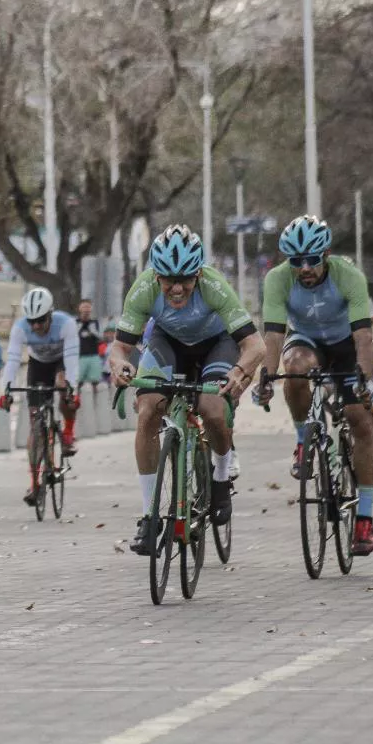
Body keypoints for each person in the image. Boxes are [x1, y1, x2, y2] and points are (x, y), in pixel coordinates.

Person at [109, 225, 265, 556]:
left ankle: (221, 479)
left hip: (217, 344)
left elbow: (255, 345)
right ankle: (150, 517)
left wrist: (240, 372)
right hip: (168, 343)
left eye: (186, 279)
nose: (177, 288)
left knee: (211, 408)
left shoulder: (214, 286)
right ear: (156, 276)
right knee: (149, 408)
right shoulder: (143, 288)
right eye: (168, 280)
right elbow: (119, 349)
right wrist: (120, 367)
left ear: (198, 274)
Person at [255, 215, 373, 556]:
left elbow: (364, 336)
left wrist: (366, 380)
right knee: (292, 369)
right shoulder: (278, 280)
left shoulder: (348, 276)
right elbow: (274, 334)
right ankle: (302, 441)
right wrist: (266, 376)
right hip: (306, 342)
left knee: (360, 421)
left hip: (346, 346)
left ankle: (365, 519)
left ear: (325, 254)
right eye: (297, 261)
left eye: (312, 259)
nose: (305, 267)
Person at [0, 287, 80, 505]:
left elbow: (72, 360)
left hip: (60, 363)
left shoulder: (66, 324)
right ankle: (35, 483)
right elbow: (13, 361)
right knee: (36, 424)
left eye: (41, 320)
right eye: (32, 320)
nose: (36, 326)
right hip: (38, 365)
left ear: (51, 314)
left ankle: (69, 431)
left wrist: (73, 390)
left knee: (63, 385)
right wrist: (6, 390)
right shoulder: (20, 328)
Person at [76, 299, 103, 394]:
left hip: (94, 354)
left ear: (91, 309)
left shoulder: (95, 322)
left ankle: (96, 404)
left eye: (88, 307)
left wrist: (93, 331)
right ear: (79, 308)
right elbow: (71, 338)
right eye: (84, 307)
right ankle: (76, 400)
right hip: (80, 355)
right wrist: (78, 329)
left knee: (95, 381)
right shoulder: (75, 322)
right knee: (78, 381)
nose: (86, 309)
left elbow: (101, 338)